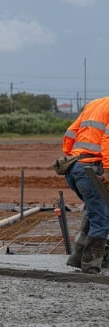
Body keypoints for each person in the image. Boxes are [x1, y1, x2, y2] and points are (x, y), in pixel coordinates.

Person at [61, 96, 109, 274]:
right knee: (102, 218)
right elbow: (108, 141)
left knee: (93, 211)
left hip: (74, 167)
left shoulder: (95, 104)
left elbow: (70, 133)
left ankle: (77, 257)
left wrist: (71, 157)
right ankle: (90, 265)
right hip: (91, 170)